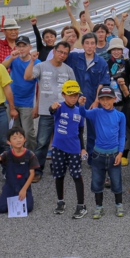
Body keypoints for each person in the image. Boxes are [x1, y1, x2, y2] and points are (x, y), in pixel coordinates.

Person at [24, 41, 77, 182]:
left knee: (63, 140)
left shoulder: (68, 70)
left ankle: (59, 165)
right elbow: (27, 77)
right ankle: (37, 170)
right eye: (60, 52)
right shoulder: (41, 66)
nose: (62, 55)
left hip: (63, 111)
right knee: (42, 142)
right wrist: (32, 61)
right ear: (54, 51)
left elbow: (74, 90)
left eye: (65, 53)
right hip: (46, 112)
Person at [46, 80, 92, 219]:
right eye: (70, 95)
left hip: (74, 149)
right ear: (63, 95)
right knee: (59, 175)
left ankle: (81, 205)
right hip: (58, 148)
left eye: (76, 95)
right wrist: (52, 107)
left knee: (77, 176)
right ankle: (60, 201)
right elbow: (51, 110)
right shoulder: (59, 107)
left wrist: (82, 149)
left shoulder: (79, 111)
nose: (73, 98)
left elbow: (80, 132)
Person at [85, 87, 127, 219]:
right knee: (97, 181)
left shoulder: (120, 115)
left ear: (114, 99)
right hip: (98, 154)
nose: (105, 102)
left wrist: (120, 153)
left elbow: (122, 135)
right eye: (102, 99)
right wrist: (81, 104)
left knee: (116, 181)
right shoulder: (96, 112)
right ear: (99, 100)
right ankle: (99, 207)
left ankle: (119, 204)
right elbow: (83, 113)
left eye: (108, 99)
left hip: (114, 154)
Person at [0, 127, 39, 215]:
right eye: (14, 138)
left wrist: (24, 189)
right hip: (9, 186)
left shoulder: (30, 155)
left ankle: (23, 198)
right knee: (0, 208)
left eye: (20, 137)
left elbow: (32, 174)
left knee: (28, 207)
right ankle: (13, 201)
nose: (18, 140)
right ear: (9, 142)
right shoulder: (7, 154)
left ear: (25, 139)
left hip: (23, 185)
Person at [2, 35, 39, 151]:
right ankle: (15, 154)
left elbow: (41, 86)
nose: (21, 49)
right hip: (11, 101)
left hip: (27, 102)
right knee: (13, 131)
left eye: (24, 46)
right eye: (19, 46)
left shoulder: (36, 62)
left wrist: (37, 106)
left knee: (28, 132)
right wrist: (11, 59)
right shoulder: (13, 58)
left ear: (30, 47)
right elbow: (1, 67)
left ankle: (31, 154)